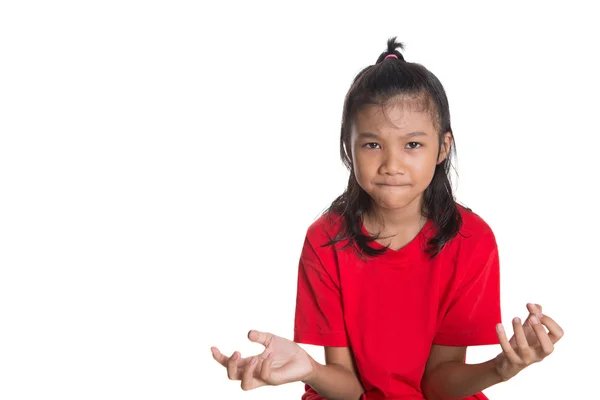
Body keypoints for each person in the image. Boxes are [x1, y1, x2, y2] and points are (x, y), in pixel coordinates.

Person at [210, 37, 564, 400]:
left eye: (412, 144)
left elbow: (437, 385)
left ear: (442, 147)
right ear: (349, 147)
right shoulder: (325, 239)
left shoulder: (471, 239)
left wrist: (501, 369)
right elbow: (348, 389)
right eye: (372, 144)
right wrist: (311, 369)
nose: (391, 165)